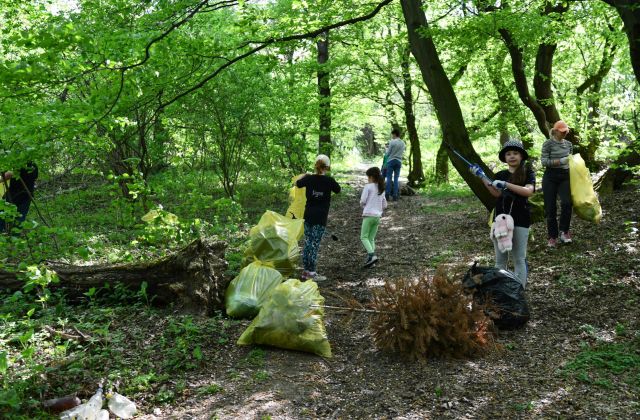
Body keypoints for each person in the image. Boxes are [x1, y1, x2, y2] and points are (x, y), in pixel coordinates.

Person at [470, 140, 535, 288]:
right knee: (500, 260)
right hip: (500, 221)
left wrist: (506, 184)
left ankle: (519, 291)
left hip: (521, 219)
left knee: (519, 258)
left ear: (521, 156)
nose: (512, 156)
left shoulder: (528, 172)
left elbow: (528, 191)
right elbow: (496, 192)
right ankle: (502, 290)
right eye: (508, 154)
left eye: (515, 153)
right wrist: (481, 176)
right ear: (505, 158)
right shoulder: (500, 174)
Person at [295, 154, 341, 282]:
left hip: (308, 215)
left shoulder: (309, 179)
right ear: (327, 167)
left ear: (316, 165)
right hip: (320, 217)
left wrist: (305, 176)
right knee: (314, 244)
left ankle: (305, 272)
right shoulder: (329, 181)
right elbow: (338, 190)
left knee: (308, 243)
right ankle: (312, 273)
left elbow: (297, 183)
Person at [541, 120, 573, 247]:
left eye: (566, 131)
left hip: (565, 176)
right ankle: (552, 237)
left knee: (567, 203)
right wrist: (561, 161)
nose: (565, 133)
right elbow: (544, 162)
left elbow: (570, 160)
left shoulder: (569, 144)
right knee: (550, 208)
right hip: (550, 177)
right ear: (555, 131)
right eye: (562, 131)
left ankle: (564, 232)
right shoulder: (548, 144)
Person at [360, 167, 387, 267]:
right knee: (371, 238)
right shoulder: (381, 188)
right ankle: (371, 262)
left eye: (368, 177)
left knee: (363, 237)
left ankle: (372, 255)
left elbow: (363, 200)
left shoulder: (368, 187)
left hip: (368, 215)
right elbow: (385, 205)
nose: (367, 179)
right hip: (377, 217)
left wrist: (364, 206)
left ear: (371, 177)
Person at [0, 161, 38, 232]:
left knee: (4, 213)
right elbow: (35, 179)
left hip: (16, 194)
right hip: (26, 195)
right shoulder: (34, 166)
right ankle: (14, 236)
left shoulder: (18, 163)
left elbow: (9, 174)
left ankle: (9, 234)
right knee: (20, 217)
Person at [384, 129, 405, 202]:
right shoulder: (403, 143)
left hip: (391, 161)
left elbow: (388, 153)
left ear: (395, 134)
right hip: (399, 161)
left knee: (389, 178)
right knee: (396, 179)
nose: (392, 136)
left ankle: (387, 194)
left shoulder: (392, 142)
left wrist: (386, 149)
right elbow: (402, 152)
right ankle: (395, 195)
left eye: (392, 134)